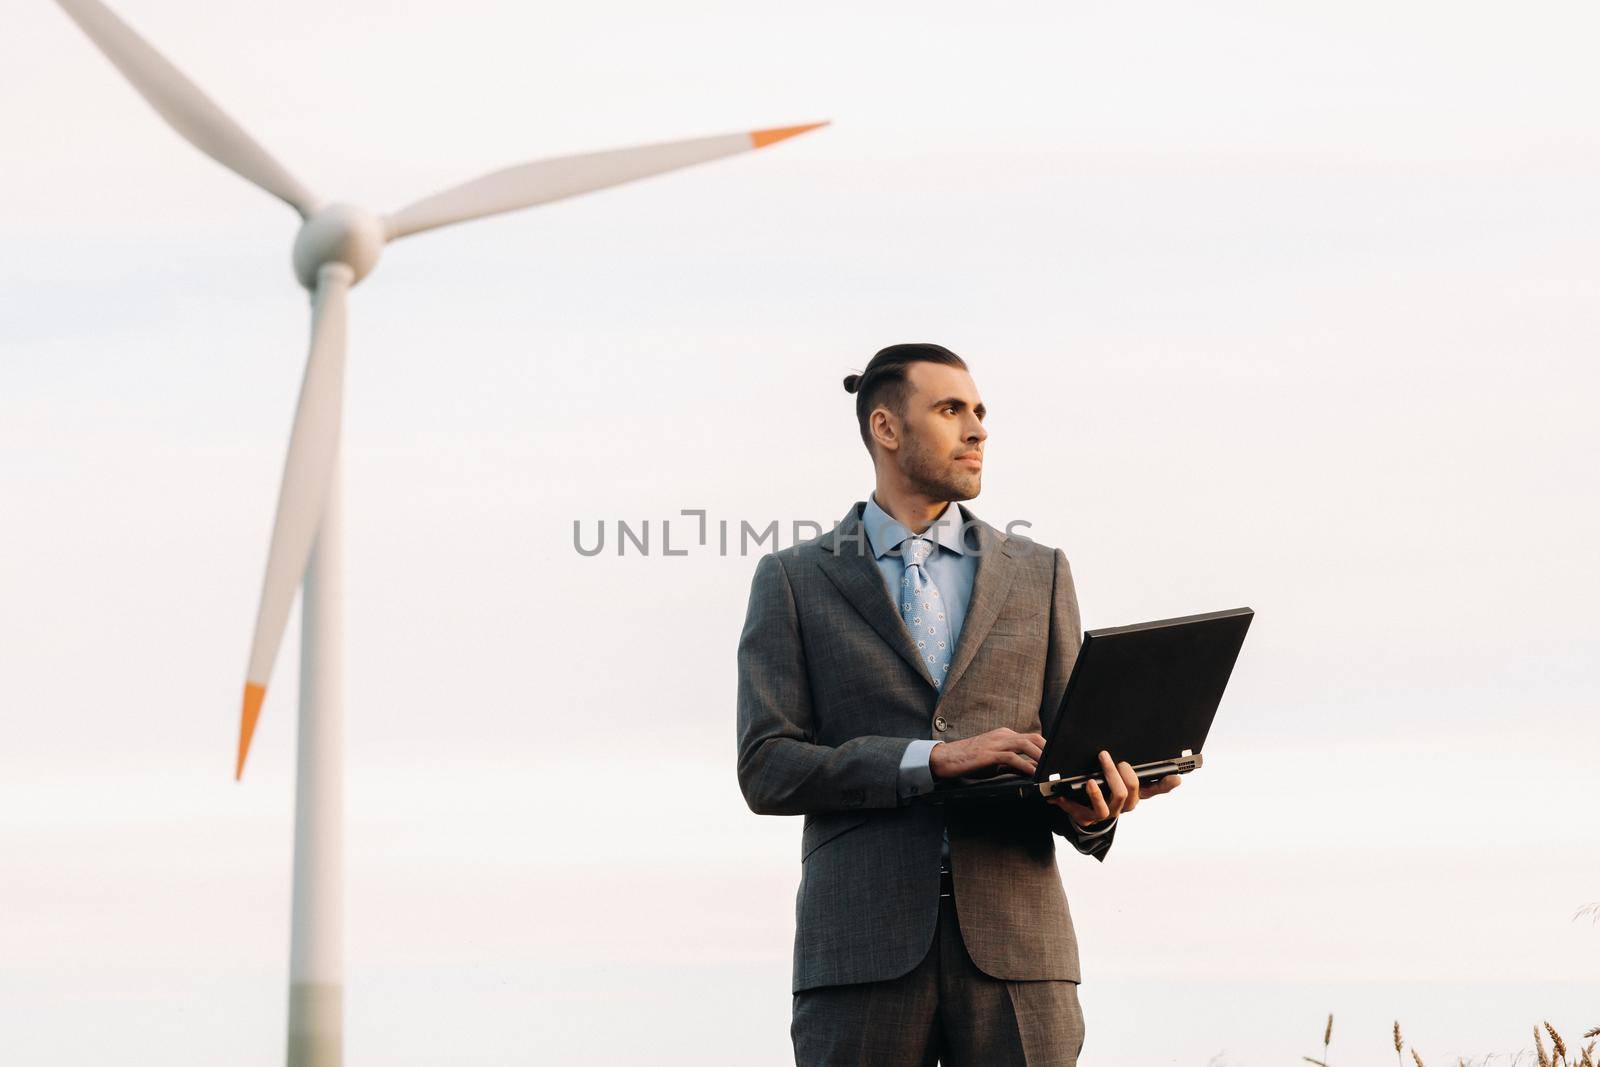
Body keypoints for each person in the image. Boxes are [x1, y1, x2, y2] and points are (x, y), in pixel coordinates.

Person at [735, 343, 1184, 1065]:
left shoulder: (1040, 572)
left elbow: (1067, 752)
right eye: (951, 410)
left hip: (1020, 954)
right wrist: (933, 761)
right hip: (858, 957)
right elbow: (767, 766)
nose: (978, 430)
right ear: (886, 428)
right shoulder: (793, 579)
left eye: (979, 412)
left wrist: (1090, 809)